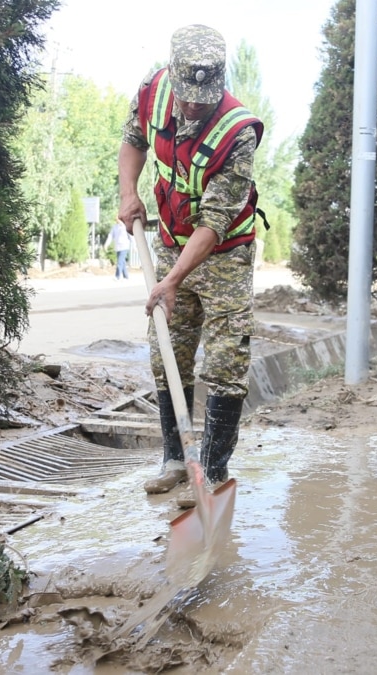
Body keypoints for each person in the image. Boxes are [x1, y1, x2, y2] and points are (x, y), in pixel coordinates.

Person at [117, 24, 264, 506]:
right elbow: (133, 140)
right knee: (167, 352)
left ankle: (215, 472)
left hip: (222, 252)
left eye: (206, 98)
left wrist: (172, 280)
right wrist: (128, 193)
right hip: (170, 237)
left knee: (225, 359)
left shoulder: (237, 131)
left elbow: (216, 221)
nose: (196, 107)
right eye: (189, 97)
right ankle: (175, 460)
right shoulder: (154, 91)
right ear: (175, 80)